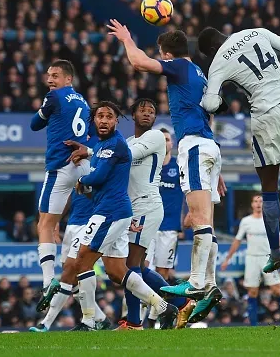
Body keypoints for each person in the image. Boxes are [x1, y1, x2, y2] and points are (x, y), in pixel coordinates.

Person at [106, 21, 223, 323]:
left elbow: (138, 62)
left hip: (195, 145)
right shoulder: (198, 72)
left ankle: (198, 284)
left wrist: (127, 38)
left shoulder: (180, 68)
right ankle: (208, 282)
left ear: (167, 54)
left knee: (198, 219)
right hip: (209, 144)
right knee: (205, 219)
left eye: (162, 53)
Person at [197, 26, 280, 280]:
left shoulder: (219, 62)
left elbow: (211, 103)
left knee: (269, 186)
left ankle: (275, 253)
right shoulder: (257, 32)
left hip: (266, 114)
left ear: (211, 51)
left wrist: (219, 101)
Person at [68, 101, 178, 331]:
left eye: (109, 117)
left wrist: (82, 180)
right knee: (118, 270)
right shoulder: (112, 144)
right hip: (122, 209)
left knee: (84, 260)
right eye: (100, 116)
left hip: (121, 209)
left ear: (118, 120)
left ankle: (94, 320)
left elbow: (102, 173)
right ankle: (161, 306)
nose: (105, 120)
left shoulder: (141, 140)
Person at [116, 98, 186, 330]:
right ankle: (181, 302)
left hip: (147, 205)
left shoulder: (155, 137)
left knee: (130, 266)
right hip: (132, 207)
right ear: (133, 114)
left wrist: (97, 149)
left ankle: (134, 322)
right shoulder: (126, 141)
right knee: (138, 268)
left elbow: (126, 155)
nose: (147, 114)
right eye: (142, 110)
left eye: (152, 111)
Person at [30, 59, 91, 312]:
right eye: (48, 75)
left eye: (55, 75)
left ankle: (47, 282)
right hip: (83, 166)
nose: (50, 80)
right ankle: (92, 313)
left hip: (59, 167)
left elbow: (35, 124)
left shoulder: (53, 98)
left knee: (44, 223)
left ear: (68, 79)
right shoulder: (84, 102)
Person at [29, 190, 111, 332]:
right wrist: (56, 221)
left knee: (68, 274)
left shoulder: (100, 168)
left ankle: (46, 323)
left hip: (89, 225)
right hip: (72, 224)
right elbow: (69, 196)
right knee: (72, 280)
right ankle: (100, 318)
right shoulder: (76, 169)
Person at [144, 128, 195, 328]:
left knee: (163, 273)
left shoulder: (178, 166)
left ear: (172, 144)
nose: (165, 143)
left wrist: (190, 212)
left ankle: (160, 312)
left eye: (167, 139)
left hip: (170, 226)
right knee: (143, 269)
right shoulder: (151, 166)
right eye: (161, 139)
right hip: (149, 225)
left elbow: (189, 189)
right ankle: (142, 317)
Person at [221, 195, 280, 326]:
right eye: (255, 201)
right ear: (252, 204)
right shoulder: (246, 221)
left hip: (268, 258)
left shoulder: (271, 219)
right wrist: (227, 259)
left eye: (260, 201)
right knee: (252, 291)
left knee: (277, 290)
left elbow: (278, 240)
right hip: (252, 258)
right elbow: (237, 241)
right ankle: (254, 324)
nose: (258, 204)